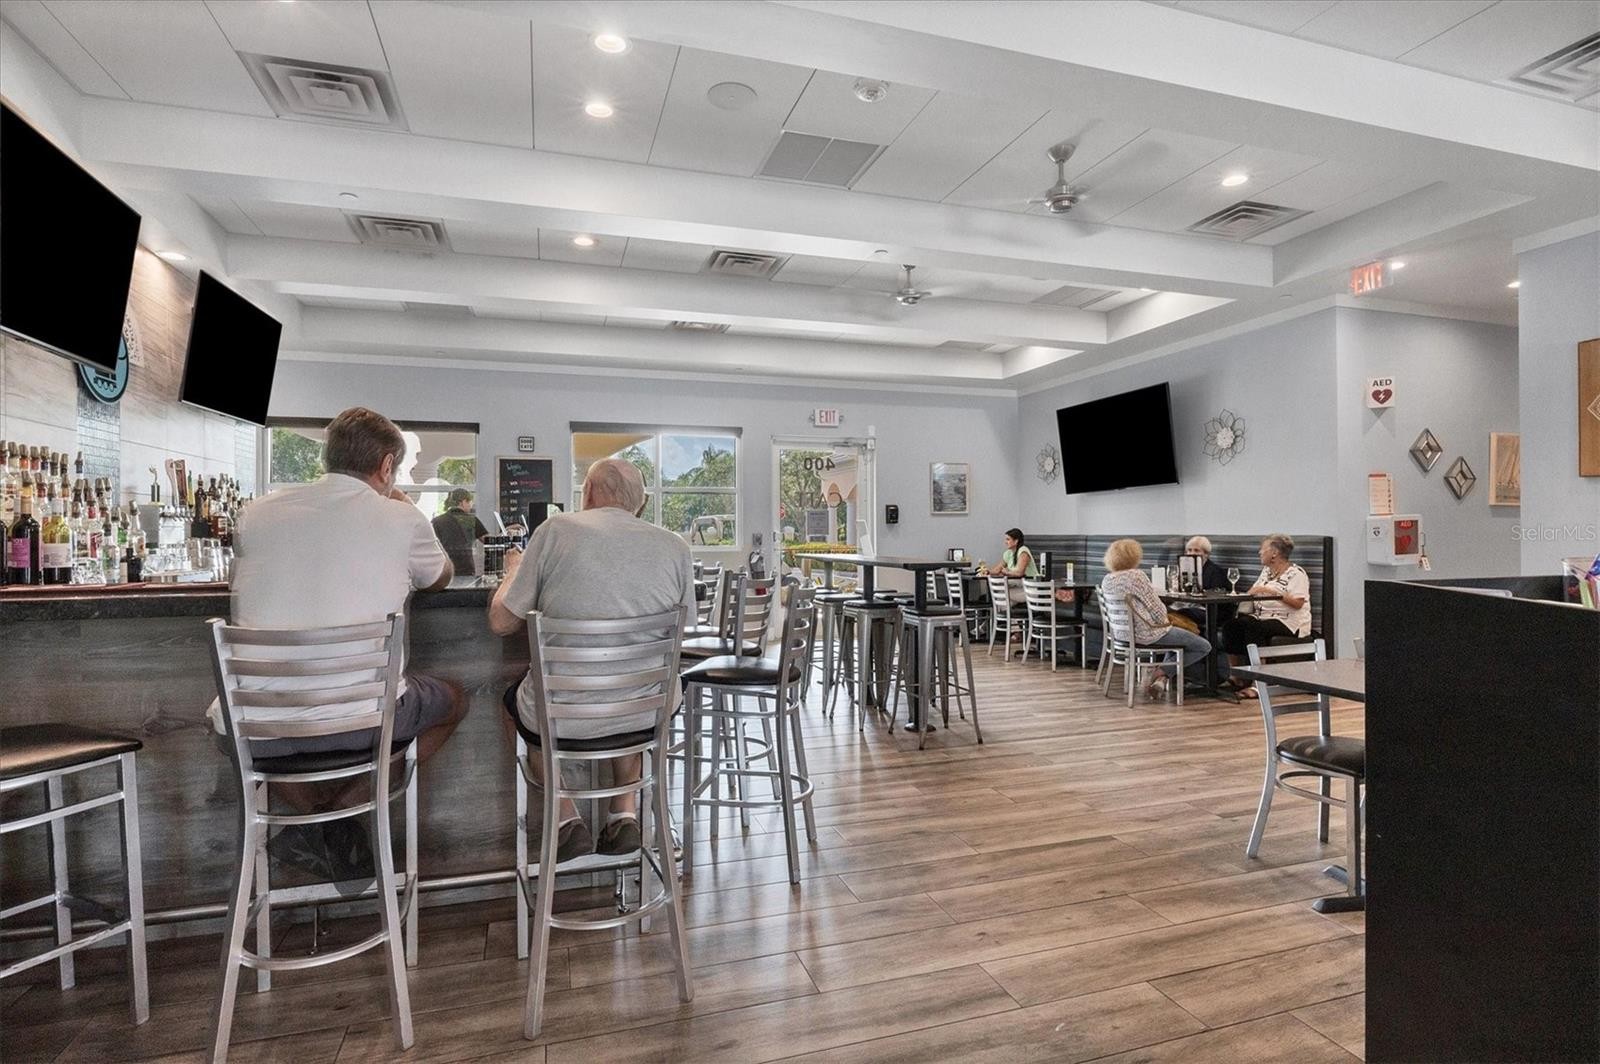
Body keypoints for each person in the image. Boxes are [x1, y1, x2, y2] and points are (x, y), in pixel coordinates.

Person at [221, 406, 468, 876]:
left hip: (258, 727)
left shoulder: (255, 513)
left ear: (328, 457)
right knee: (454, 700)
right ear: (387, 466)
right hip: (365, 721)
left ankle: (317, 826)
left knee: (236, 728)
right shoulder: (401, 518)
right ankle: (337, 820)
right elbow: (441, 578)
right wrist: (402, 505)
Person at [488, 458, 694, 862]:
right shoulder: (675, 546)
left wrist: (513, 567)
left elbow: (501, 622)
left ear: (589, 492)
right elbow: (681, 633)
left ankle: (566, 819)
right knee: (634, 687)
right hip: (646, 713)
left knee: (515, 707)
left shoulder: (555, 531)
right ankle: (624, 814)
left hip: (563, 715)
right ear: (639, 504)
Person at [1099, 538, 1211, 698]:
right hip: (1146, 634)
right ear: (1134, 556)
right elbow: (1157, 609)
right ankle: (1160, 671)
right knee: (1203, 646)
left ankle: (1162, 680)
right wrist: (1166, 620)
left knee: (1175, 639)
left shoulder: (1107, 580)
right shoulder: (1136, 576)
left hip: (1121, 635)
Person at [1218, 533, 1313, 695]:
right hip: (1262, 617)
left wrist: (1271, 592)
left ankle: (1259, 682)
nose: (1259, 552)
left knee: (1253, 626)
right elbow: (1253, 591)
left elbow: (1298, 603)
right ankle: (1236, 676)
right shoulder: (1266, 572)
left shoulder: (1296, 574)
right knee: (1231, 626)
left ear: (1274, 553)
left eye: (1263, 549)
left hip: (1290, 623)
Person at [1173, 535, 1234, 632]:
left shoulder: (1215, 571)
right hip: (1188, 605)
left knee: (1181, 613)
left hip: (1209, 610)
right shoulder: (1184, 571)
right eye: (1189, 550)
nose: (1192, 553)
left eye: (1196, 550)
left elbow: (1216, 594)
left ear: (1206, 554)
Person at [431, 488, 489, 575]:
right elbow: (489, 541)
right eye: (470, 502)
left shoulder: (436, 521)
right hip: (466, 569)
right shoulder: (471, 520)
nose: (471, 505)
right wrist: (505, 533)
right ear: (463, 502)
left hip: (444, 570)